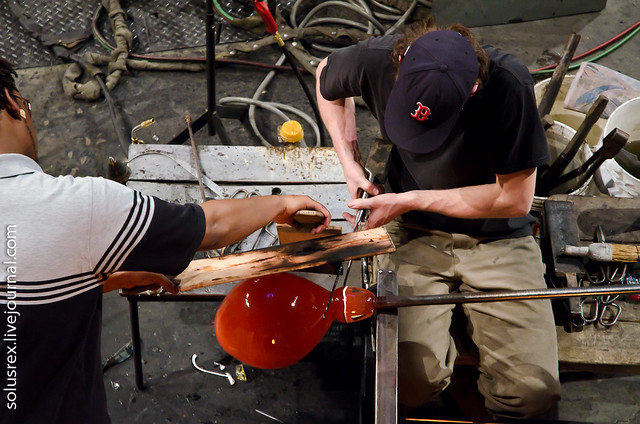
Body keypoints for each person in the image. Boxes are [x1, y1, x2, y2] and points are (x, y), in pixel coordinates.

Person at [0, 55, 331, 424]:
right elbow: (212, 226)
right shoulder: (77, 204)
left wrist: (97, 280)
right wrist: (282, 203)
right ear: (13, 103)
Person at [316, 20, 561, 419]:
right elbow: (325, 72)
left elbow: (515, 200)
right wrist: (349, 161)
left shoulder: (509, 85)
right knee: (410, 382)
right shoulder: (378, 59)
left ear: (473, 89)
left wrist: (408, 199)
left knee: (532, 394)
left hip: (497, 237)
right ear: (400, 62)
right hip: (415, 230)